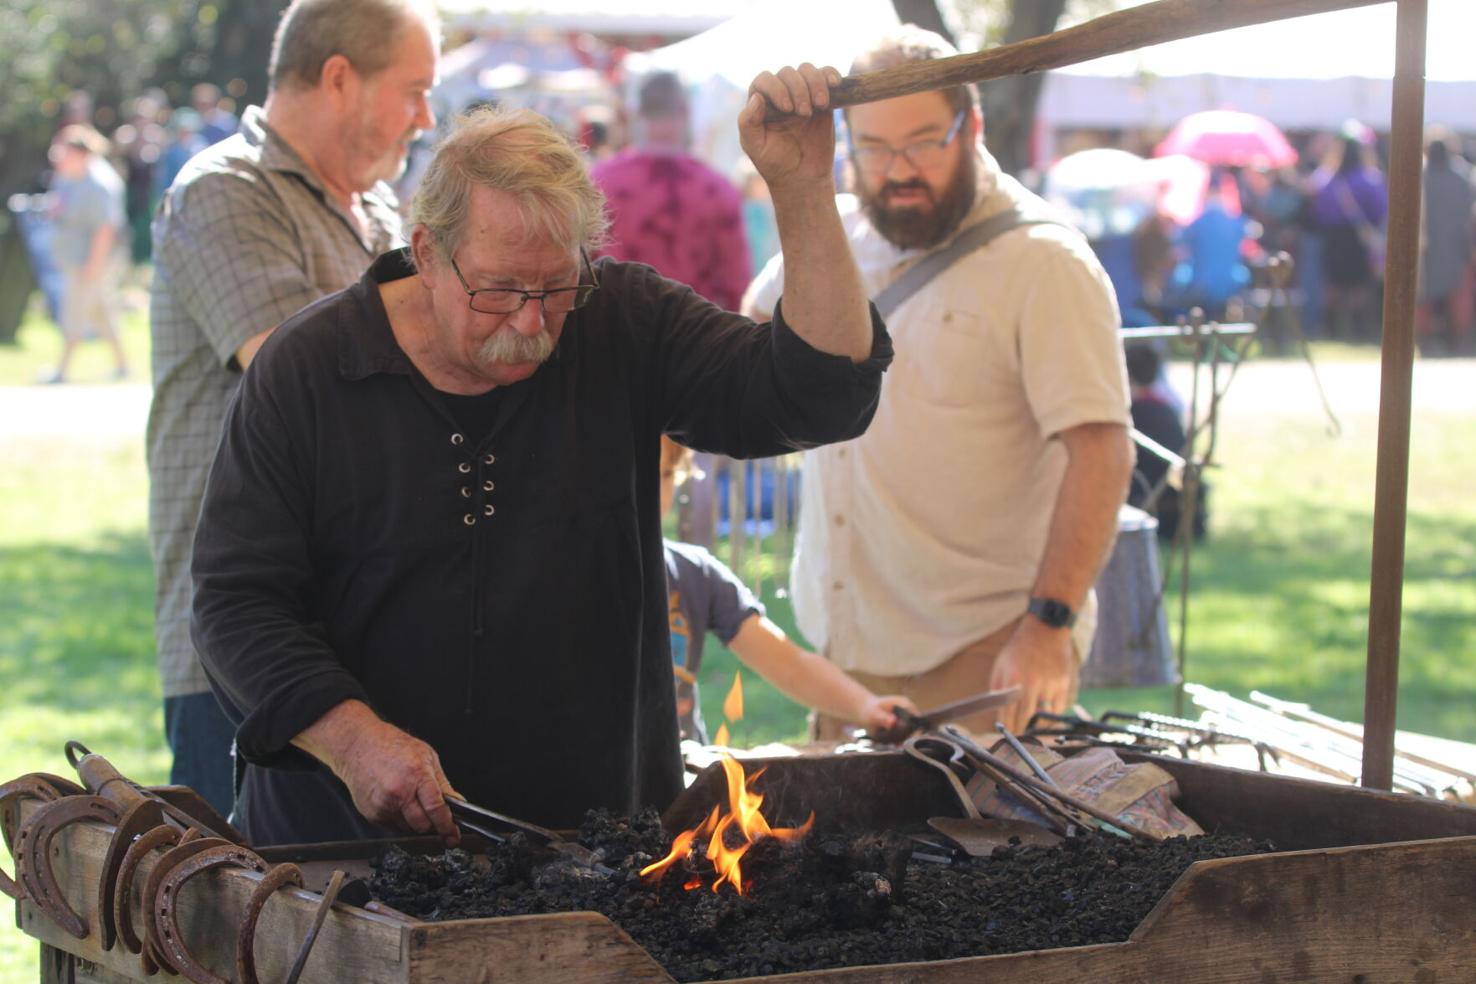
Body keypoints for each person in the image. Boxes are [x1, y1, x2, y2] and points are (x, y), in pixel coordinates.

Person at [190, 65, 890, 846]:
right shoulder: (311, 370)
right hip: (340, 858)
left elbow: (820, 395)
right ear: (425, 253)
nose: (530, 324)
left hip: (595, 850)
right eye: (497, 291)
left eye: (556, 287)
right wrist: (354, 744)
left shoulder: (620, 319)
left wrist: (802, 190)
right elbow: (235, 601)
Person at [744, 26, 1133, 737]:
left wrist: (1047, 626)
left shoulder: (1045, 262)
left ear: (973, 124)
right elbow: (749, 335)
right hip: (847, 655)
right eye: (875, 148)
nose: (899, 170)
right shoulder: (841, 237)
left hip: (983, 655)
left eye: (924, 140)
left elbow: (1102, 450)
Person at [148, 0, 439, 817]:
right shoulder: (223, 192)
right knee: (234, 925)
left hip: (366, 646)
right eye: (414, 89)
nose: (425, 117)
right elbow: (295, 368)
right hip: (243, 646)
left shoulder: (380, 213)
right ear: (340, 78)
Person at [659, 438, 913, 743]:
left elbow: (787, 662)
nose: (653, 491)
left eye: (665, 475)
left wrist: (865, 705)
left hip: (680, 777)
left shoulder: (694, 575)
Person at [591, 70, 751, 312]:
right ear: (685, 111)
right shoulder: (717, 189)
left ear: (636, 114)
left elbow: (579, 270)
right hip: (695, 336)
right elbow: (736, 285)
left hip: (615, 332)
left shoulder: (600, 184)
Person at [42, 124, 129, 384]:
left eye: (64, 151)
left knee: (75, 311)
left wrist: (94, 265)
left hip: (93, 260)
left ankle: (61, 370)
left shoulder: (100, 183)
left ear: (80, 153)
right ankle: (123, 365)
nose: (58, 156)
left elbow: (106, 228)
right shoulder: (67, 175)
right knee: (100, 312)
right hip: (76, 258)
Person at [1307, 125, 1388, 342]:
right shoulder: (1370, 179)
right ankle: (1357, 328)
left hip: (1333, 237)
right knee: (1359, 285)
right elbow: (1381, 211)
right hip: (1358, 238)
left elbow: (1317, 211)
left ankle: (1331, 328)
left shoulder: (1326, 179)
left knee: (1332, 284)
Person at [1415, 130, 1475, 356]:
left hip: (1430, 247)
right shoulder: (1462, 179)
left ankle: (1427, 341)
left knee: (1429, 297)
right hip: (1446, 246)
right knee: (1451, 296)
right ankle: (1456, 341)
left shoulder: (1419, 177)